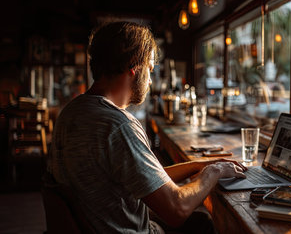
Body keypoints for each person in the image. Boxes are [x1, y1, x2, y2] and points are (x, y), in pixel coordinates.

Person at [46, 21, 247, 234]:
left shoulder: (71, 112)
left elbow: (141, 176)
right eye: (150, 68)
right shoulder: (119, 125)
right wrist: (214, 172)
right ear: (134, 66)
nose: (150, 80)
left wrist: (198, 166)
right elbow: (176, 210)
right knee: (202, 223)